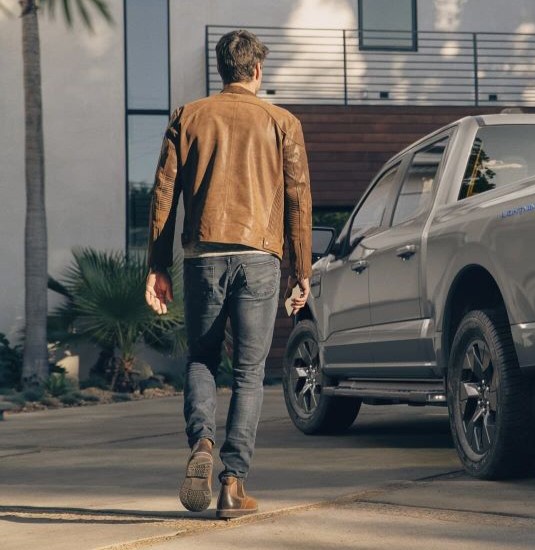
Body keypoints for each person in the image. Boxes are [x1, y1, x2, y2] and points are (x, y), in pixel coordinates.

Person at [144, 29, 312, 519]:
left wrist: (156, 265)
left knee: (201, 359)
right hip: (260, 256)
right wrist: (301, 270)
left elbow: (162, 194)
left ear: (223, 70)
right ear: (257, 70)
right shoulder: (283, 122)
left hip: (202, 257)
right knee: (249, 372)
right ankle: (233, 483)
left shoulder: (189, 116)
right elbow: (298, 200)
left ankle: (201, 443)